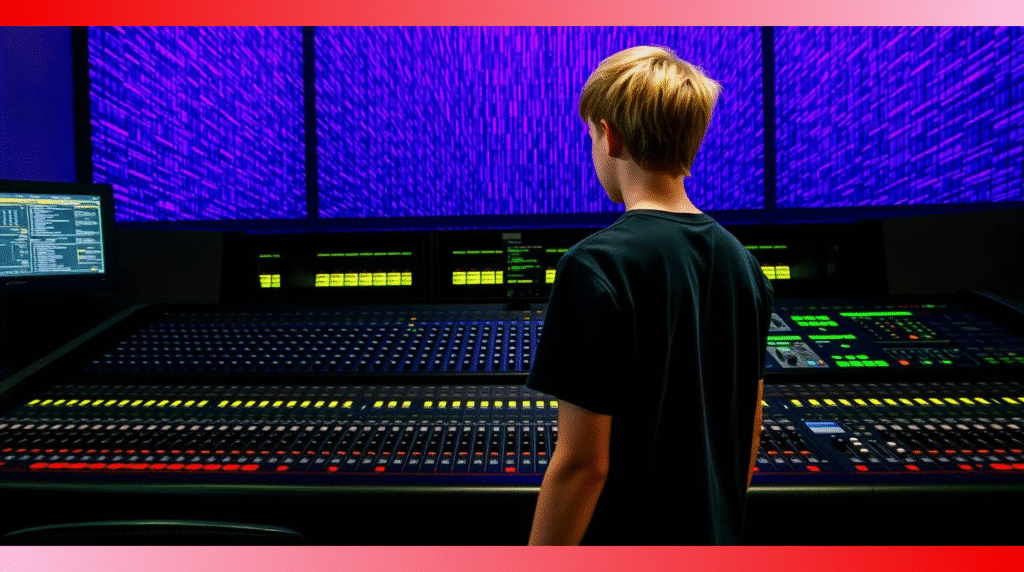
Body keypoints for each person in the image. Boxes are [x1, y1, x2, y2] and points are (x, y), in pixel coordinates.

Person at [525, 45, 774, 546]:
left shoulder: (595, 265)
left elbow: (583, 465)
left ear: (610, 136)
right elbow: (746, 438)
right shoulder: (743, 265)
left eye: (591, 134)